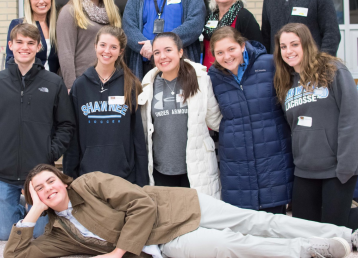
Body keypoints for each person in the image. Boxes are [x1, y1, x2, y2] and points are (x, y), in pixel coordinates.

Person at [4, 164, 358, 258]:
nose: (48, 188)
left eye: (50, 181)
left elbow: (141, 203)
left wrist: (116, 252)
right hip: (165, 240)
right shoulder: (57, 233)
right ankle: (310, 251)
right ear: (34, 198)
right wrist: (32, 214)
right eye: (39, 189)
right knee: (231, 246)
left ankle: (343, 234)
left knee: (256, 220)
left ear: (62, 181)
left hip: (176, 205)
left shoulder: (90, 182)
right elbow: (16, 256)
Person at [0, 23, 76, 241]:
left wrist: (50, 152)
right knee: (3, 234)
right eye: (19, 42)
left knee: (39, 234)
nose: (25, 47)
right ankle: (22, 204)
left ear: (39, 47)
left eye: (31, 43)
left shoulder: (53, 82)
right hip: (4, 171)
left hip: (38, 173)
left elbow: (66, 124)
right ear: (10, 45)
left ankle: (31, 204)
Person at [274, 22, 358, 230]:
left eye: (294, 44)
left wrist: (346, 166)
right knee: (306, 234)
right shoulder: (285, 80)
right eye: (283, 46)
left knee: (334, 234)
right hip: (304, 171)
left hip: (337, 170)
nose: (288, 51)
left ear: (307, 43)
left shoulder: (333, 70)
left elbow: (351, 117)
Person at [207, 26, 294, 213]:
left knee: (276, 219)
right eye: (220, 52)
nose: (227, 56)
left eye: (231, 49)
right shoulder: (213, 77)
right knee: (246, 225)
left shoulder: (270, 64)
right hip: (237, 159)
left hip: (273, 155)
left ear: (242, 45)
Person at [62, 26, 148, 186]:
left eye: (113, 47)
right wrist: (69, 176)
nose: (107, 51)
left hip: (124, 176)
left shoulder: (130, 84)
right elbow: (72, 135)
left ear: (121, 51)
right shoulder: (80, 85)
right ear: (95, 46)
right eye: (103, 45)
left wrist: (142, 180)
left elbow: (137, 135)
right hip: (88, 176)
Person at [138, 32, 222, 195]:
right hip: (161, 171)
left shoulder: (201, 79)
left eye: (168, 50)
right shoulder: (147, 85)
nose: (163, 56)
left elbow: (216, 121)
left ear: (180, 52)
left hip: (196, 170)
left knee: (197, 218)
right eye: (157, 52)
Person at [57, 0, 122, 91]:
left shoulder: (112, 11)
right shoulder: (70, 11)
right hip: (82, 82)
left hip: (110, 81)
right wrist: (71, 86)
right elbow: (65, 53)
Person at [202, 0, 262, 70]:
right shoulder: (209, 16)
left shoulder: (244, 16)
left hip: (234, 77)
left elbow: (257, 49)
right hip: (209, 75)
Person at [5, 0, 59, 74]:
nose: (41, 1)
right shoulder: (18, 25)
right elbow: (10, 60)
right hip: (28, 83)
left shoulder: (57, 26)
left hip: (53, 84)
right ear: (29, 1)